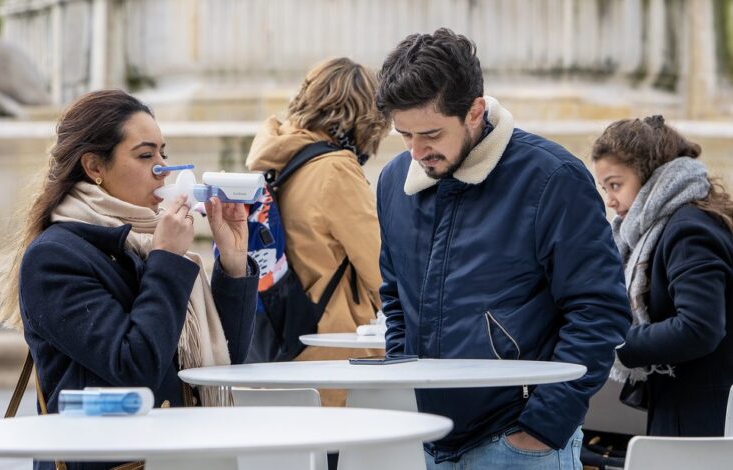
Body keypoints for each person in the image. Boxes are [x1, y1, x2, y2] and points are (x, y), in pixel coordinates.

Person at [375, 28, 631, 469]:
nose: (417, 151)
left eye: (431, 134)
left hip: (517, 443)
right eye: (404, 135)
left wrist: (543, 426)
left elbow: (599, 309)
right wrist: (404, 390)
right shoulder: (395, 181)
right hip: (422, 439)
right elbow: (395, 299)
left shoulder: (552, 179)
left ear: (475, 112)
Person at [0, 89, 258, 470]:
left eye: (163, 153)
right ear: (94, 167)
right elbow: (134, 366)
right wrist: (167, 259)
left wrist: (234, 261)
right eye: (145, 155)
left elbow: (219, 362)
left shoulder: (145, 241)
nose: (163, 169)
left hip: (179, 455)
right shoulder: (56, 256)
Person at [245, 57, 390, 406]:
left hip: (279, 349)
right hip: (334, 355)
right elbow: (382, 270)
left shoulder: (277, 162)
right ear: (365, 116)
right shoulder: (335, 168)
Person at [591, 115, 733, 437]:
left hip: (703, 423)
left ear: (650, 176)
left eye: (615, 184)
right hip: (689, 414)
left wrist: (612, 342)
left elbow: (700, 327)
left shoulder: (688, 230)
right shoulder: (673, 225)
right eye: (605, 188)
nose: (610, 200)